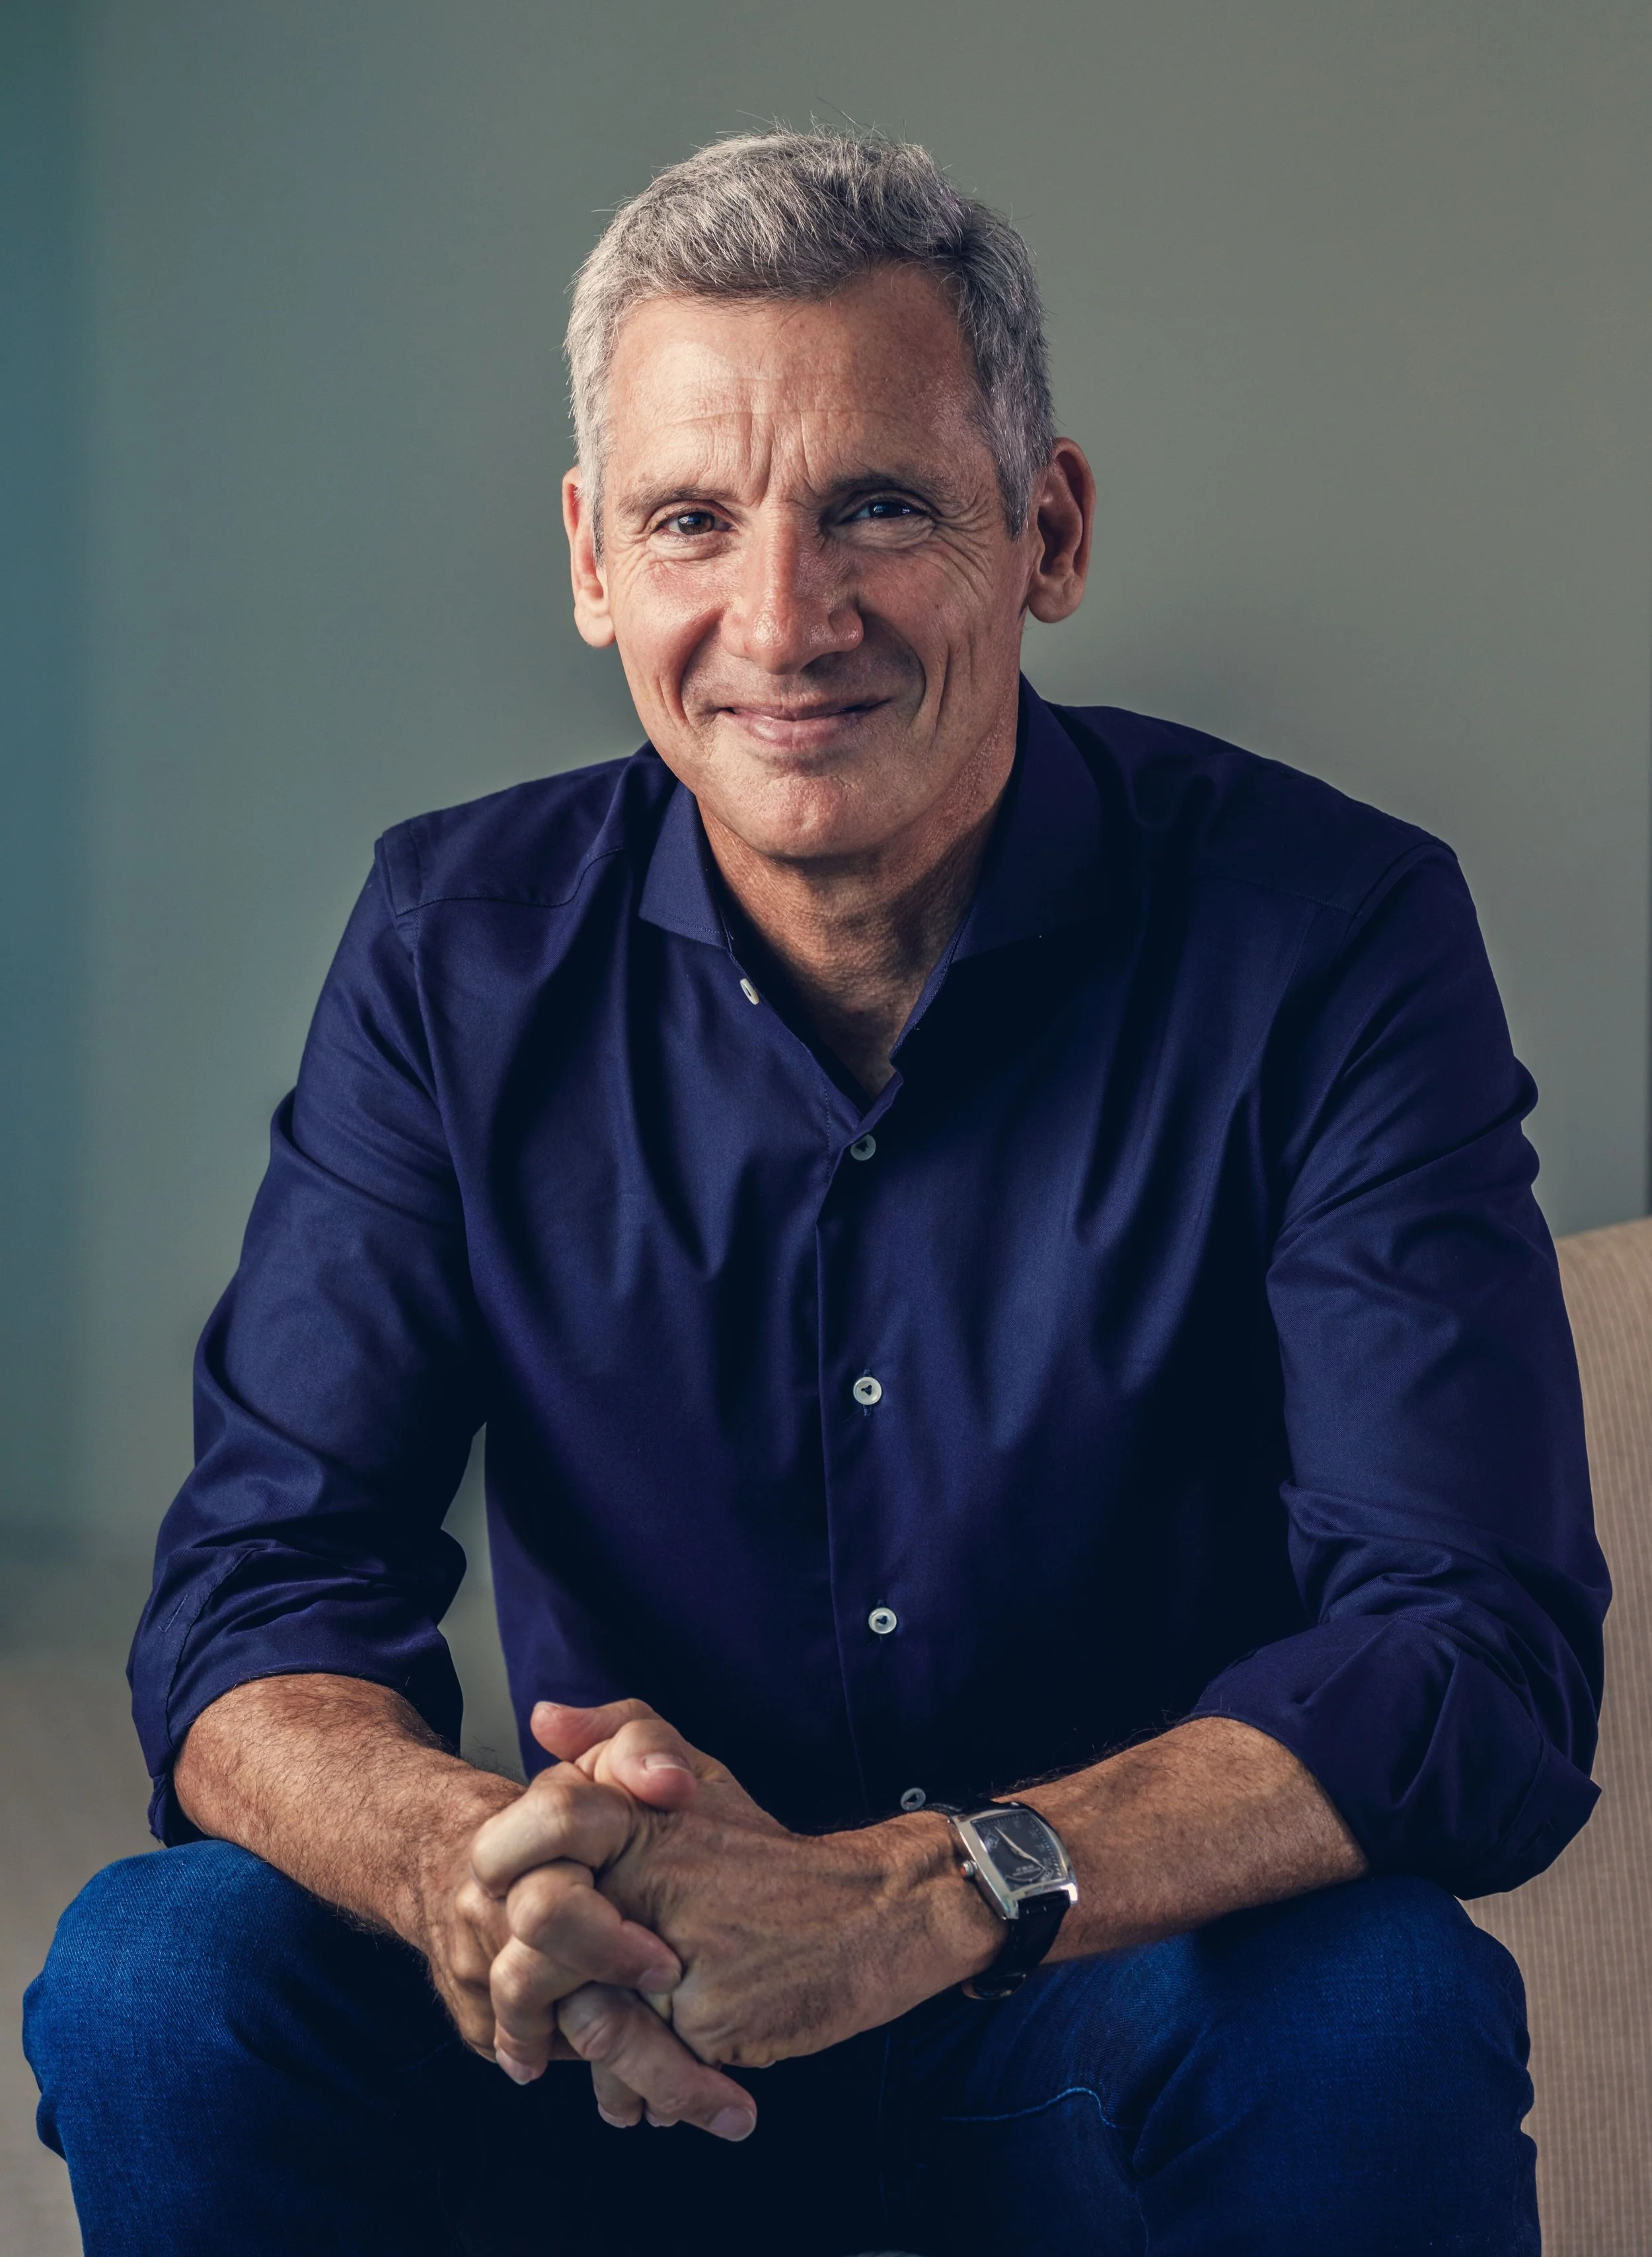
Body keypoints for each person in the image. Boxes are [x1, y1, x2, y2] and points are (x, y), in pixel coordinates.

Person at [26, 132, 1606, 2257]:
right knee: (163, 1973)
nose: (780, 619)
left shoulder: (1328, 932)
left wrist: (922, 1890)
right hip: (615, 2024)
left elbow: (1472, 1653)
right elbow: (257, 1591)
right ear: (593, 561)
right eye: (692, 518)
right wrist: (473, 1875)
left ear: (1046, 530)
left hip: (1102, 2001)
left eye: (876, 505)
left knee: (1373, 2003)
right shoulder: (448, 945)